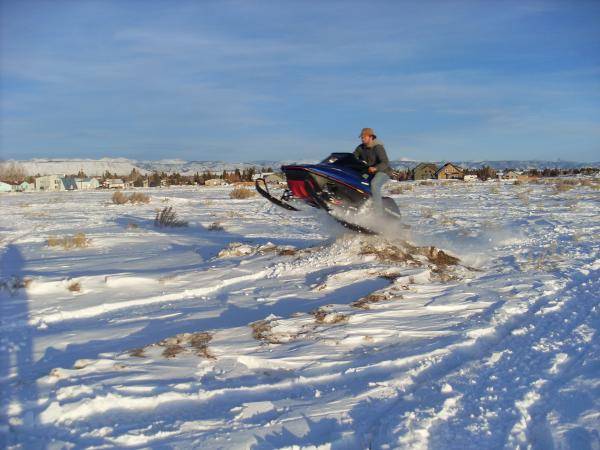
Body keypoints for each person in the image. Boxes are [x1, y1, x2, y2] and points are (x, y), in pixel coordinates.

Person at [353, 127, 392, 214]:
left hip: (383, 171)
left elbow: (385, 162)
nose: (362, 139)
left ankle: (379, 214)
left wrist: (376, 168)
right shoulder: (360, 148)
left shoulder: (378, 147)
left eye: (364, 137)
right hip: (369, 172)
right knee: (357, 181)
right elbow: (353, 157)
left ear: (371, 137)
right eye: (361, 137)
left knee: (374, 184)